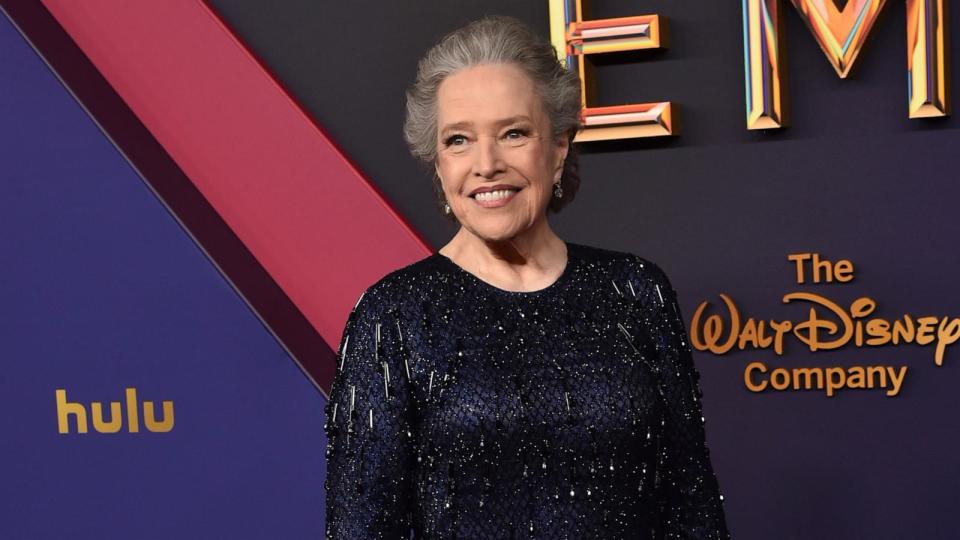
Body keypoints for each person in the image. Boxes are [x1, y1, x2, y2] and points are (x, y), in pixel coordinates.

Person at [324, 14, 730, 539]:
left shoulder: (635, 291)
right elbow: (360, 528)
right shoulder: (394, 316)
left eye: (513, 133)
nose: (486, 164)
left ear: (559, 146)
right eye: (459, 140)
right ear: (438, 164)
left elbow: (692, 503)